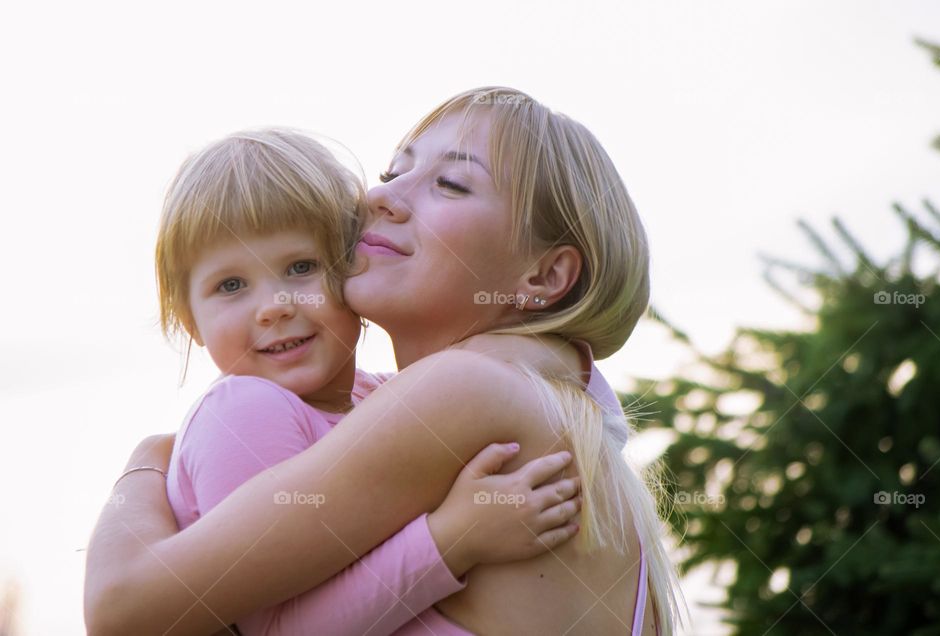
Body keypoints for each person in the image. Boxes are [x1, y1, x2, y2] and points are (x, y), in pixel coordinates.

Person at [85, 87, 687, 635]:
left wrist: (144, 465)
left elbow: (123, 611)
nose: (379, 197)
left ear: (544, 274)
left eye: (450, 183)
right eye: (392, 172)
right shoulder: (556, 401)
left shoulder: (468, 391)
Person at [131, 128, 584, 635]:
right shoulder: (245, 408)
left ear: (353, 266)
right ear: (190, 320)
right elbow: (282, 630)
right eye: (230, 285)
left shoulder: (382, 394)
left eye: (301, 268)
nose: (275, 306)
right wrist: (453, 538)